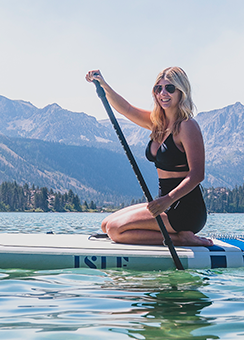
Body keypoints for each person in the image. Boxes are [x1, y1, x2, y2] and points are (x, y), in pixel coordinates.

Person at [85, 67, 212, 247]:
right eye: (158, 89)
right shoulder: (157, 123)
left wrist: (167, 199)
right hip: (163, 203)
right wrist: (104, 85)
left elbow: (197, 174)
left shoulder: (187, 126)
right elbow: (126, 109)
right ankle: (175, 236)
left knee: (115, 230)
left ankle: (181, 238)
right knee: (106, 225)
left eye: (169, 88)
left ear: (181, 92)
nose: (163, 93)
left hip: (184, 208)